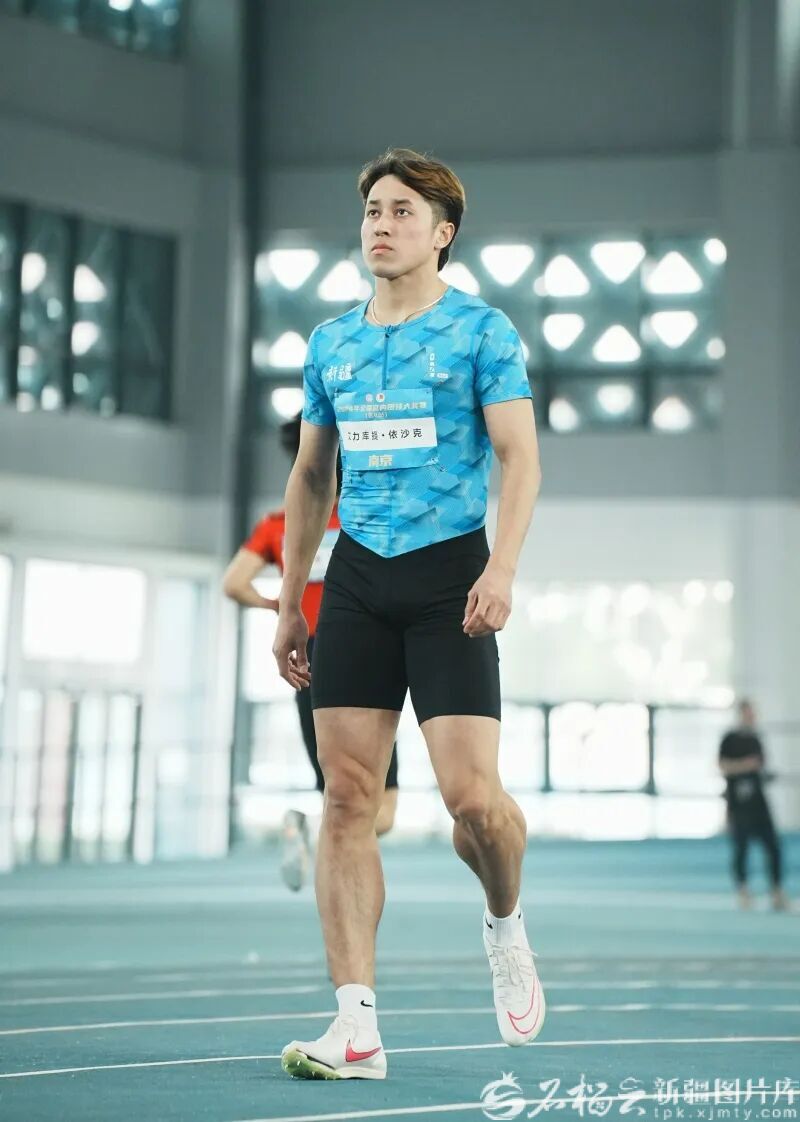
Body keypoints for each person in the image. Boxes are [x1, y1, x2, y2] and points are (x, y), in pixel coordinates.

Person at [273, 147, 544, 1082]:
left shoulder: (481, 332)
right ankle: (356, 1027)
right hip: (356, 576)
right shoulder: (330, 344)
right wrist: (290, 601)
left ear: (442, 233)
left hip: (449, 578)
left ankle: (505, 924)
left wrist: (501, 567)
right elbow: (312, 474)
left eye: (400, 212)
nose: (380, 226)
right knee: (347, 797)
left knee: (474, 803)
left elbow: (519, 458)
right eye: (372, 211)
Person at [223, 413, 399, 891]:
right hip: (365, 645)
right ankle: (313, 830)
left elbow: (233, 583)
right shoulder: (363, 515)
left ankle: (310, 826)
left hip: (309, 656)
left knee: (338, 787)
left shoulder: (280, 525)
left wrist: (281, 605)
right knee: (381, 806)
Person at [718, 699, 788, 912]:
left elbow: (760, 766)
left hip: (759, 803)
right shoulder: (729, 739)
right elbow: (723, 766)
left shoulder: (756, 739)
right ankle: (743, 890)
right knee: (741, 848)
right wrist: (745, 766)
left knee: (773, 846)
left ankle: (776, 890)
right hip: (739, 804)